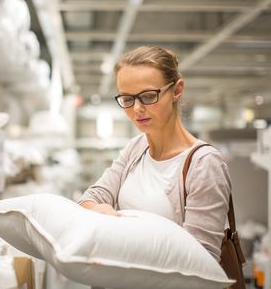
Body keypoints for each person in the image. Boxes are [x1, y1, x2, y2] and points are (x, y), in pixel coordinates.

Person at [77, 45, 231, 262]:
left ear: (176, 91)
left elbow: (202, 260)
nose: (137, 108)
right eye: (127, 99)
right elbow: (89, 199)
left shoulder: (204, 164)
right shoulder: (136, 148)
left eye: (148, 96)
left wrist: (125, 240)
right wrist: (99, 209)